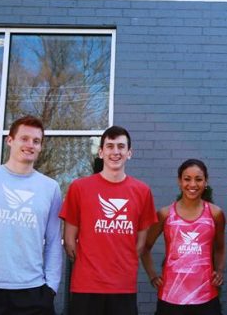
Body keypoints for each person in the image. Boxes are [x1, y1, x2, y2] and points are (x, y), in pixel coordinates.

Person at [0, 115, 62, 315]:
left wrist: (51, 286)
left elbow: (53, 241)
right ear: (10, 140)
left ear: (41, 147)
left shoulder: (50, 188)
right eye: (24, 138)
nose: (30, 145)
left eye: (36, 141)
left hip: (33, 292)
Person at [60, 125, 157, 315]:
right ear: (100, 152)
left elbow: (140, 244)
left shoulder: (142, 191)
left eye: (121, 147)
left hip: (123, 287)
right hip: (86, 287)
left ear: (129, 153)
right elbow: (70, 242)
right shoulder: (79, 188)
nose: (115, 152)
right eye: (110, 146)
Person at [141, 159, 226, 315]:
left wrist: (219, 270)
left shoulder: (215, 214)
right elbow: (145, 248)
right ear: (179, 181)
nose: (192, 184)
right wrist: (152, 275)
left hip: (206, 296)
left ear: (205, 181)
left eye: (198, 179)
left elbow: (220, 248)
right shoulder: (165, 214)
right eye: (187, 179)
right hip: (170, 296)